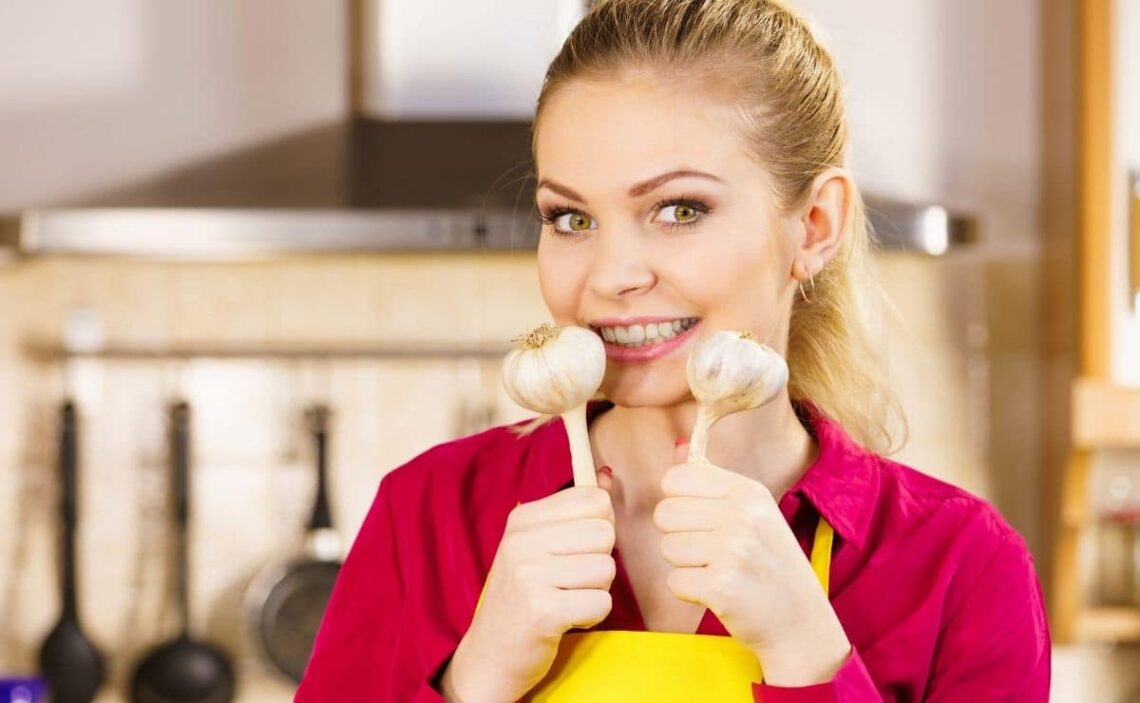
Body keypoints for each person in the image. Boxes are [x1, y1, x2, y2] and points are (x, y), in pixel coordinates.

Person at [295, 0, 1051, 700]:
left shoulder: (960, 565)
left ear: (815, 226)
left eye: (679, 209)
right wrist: (477, 676)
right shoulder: (429, 515)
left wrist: (808, 655)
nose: (611, 276)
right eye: (571, 218)